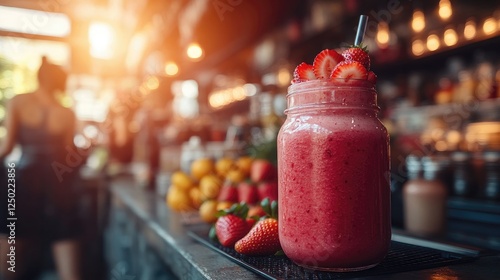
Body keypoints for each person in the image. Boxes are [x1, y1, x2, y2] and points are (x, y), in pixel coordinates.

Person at [0, 57, 82, 280]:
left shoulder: (18, 102)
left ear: (38, 77)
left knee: (10, 266)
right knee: (66, 247)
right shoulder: (66, 112)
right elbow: (70, 155)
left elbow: (6, 148)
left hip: (23, 183)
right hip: (58, 185)